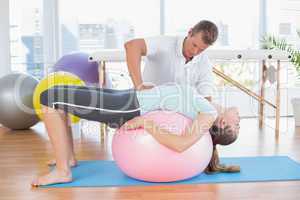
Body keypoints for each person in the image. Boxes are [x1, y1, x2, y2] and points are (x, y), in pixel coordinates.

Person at [31, 84, 240, 187]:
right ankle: (67, 158)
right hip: (132, 97)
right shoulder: (213, 108)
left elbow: (181, 144)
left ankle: (62, 171)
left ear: (223, 124)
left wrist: (146, 123)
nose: (239, 118)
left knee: (49, 97)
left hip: (129, 108)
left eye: (237, 124)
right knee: (57, 92)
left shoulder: (209, 116)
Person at [124, 20, 218, 101]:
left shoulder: (204, 62)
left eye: (201, 49)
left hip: (176, 113)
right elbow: (132, 46)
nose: (195, 51)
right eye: (194, 45)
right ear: (190, 32)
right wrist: (139, 86)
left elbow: (206, 97)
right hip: (147, 106)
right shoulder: (165, 44)